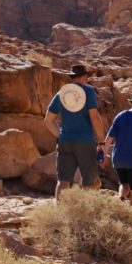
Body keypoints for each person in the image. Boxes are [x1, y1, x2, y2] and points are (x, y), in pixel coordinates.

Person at [43, 64, 105, 199]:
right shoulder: (88, 91)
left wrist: (61, 135)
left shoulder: (61, 94)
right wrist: (101, 142)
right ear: (83, 76)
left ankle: (60, 214)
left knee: (63, 181)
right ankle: (86, 215)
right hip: (86, 141)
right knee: (89, 182)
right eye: (87, 76)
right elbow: (95, 118)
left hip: (65, 141)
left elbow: (48, 120)